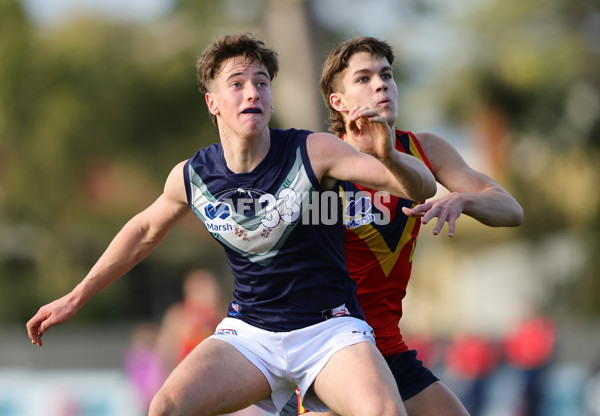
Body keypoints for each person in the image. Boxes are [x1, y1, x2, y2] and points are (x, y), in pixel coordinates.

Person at [26, 33, 437, 416]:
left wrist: (392, 157)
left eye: (261, 82)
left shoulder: (313, 151)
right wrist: (75, 298)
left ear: (271, 99)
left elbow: (419, 188)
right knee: (165, 407)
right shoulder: (194, 176)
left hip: (329, 331)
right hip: (250, 336)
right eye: (237, 84)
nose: (252, 92)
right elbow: (142, 231)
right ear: (213, 102)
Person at [280, 37, 523, 416]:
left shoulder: (426, 150)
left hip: (388, 347)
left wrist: (463, 198)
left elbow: (510, 209)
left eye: (386, 75)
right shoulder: (318, 161)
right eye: (364, 78)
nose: (381, 85)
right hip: (328, 351)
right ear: (338, 102)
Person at [155, 268, 224, 373]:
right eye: (203, 289)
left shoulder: (222, 315)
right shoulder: (178, 315)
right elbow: (164, 352)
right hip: (188, 374)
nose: (211, 294)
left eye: (212, 288)